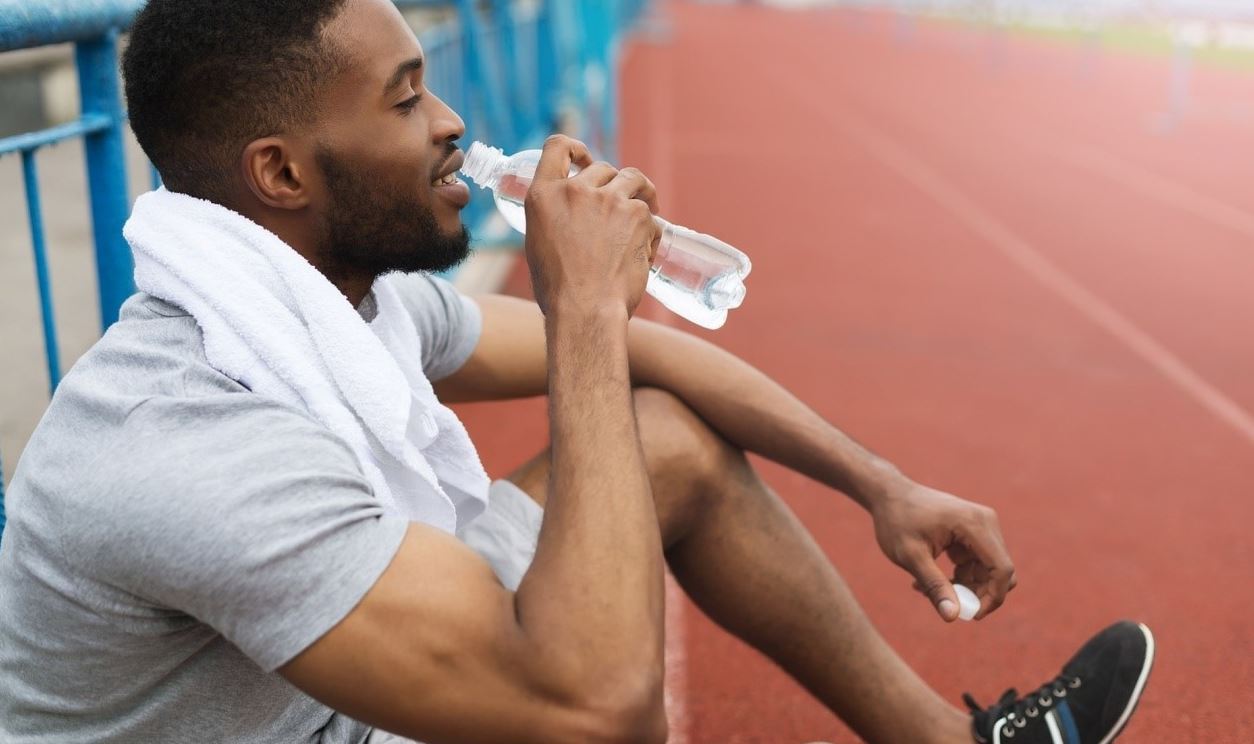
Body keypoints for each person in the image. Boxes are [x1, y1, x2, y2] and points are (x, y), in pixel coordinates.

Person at [0, 0, 1154, 742]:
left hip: (322, 704)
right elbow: (590, 704)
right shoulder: (184, 442)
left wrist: (881, 484)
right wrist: (584, 306)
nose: (452, 121)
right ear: (281, 174)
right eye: (406, 99)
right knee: (591, 687)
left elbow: (650, 359)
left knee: (662, 441)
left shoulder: (340, 304)